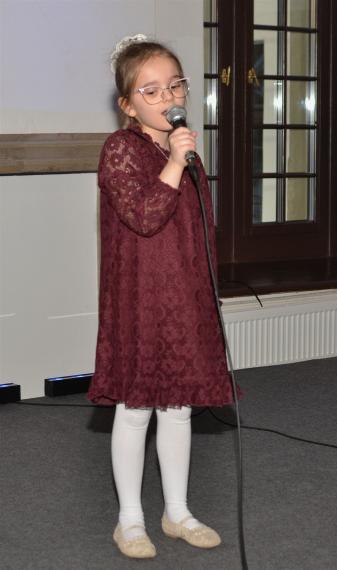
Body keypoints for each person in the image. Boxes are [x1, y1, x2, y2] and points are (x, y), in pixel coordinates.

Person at [87, 34, 240, 559]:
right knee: (136, 409)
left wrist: (203, 291)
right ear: (128, 105)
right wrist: (175, 162)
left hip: (182, 295)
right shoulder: (121, 149)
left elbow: (198, 230)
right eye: (150, 91)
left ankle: (177, 512)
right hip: (141, 299)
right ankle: (129, 520)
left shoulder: (181, 148)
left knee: (178, 408)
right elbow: (146, 217)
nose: (167, 97)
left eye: (175, 85)